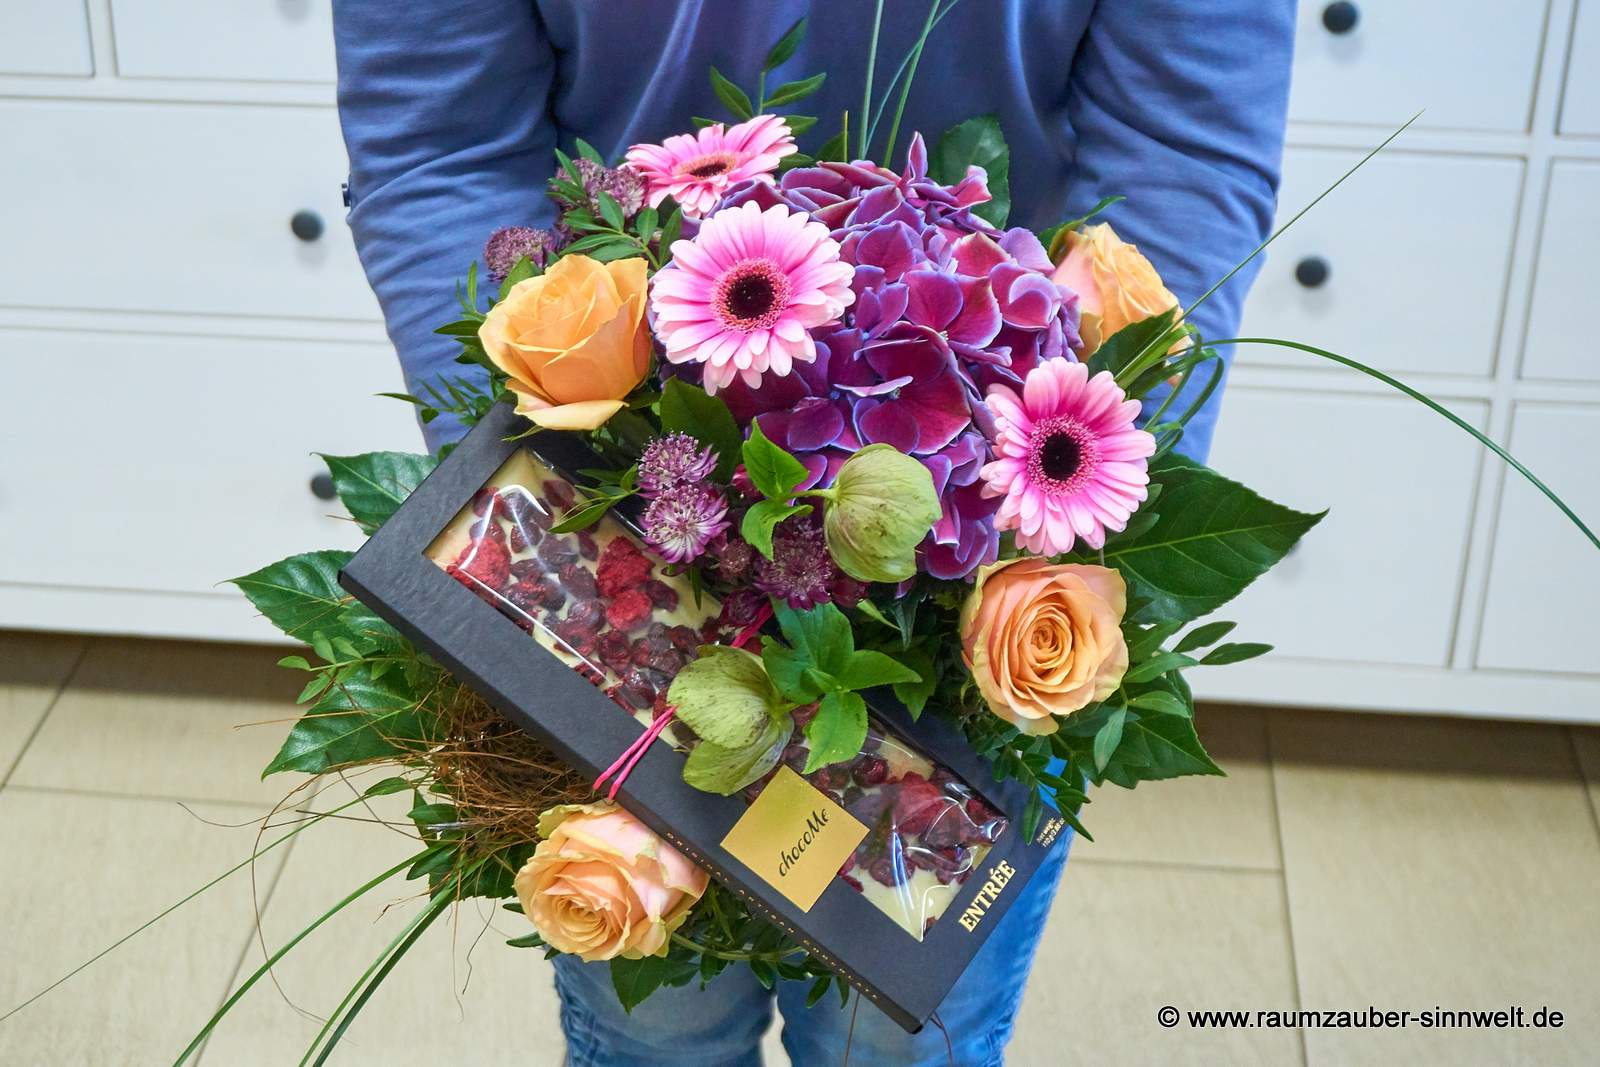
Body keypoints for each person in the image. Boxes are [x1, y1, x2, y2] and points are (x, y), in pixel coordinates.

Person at [333, 2, 1292, 1063]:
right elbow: (440, 138)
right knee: (657, 1025)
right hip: (608, 509)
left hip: (998, 512)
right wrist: (538, 485)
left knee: (889, 1036)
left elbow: (1185, 143)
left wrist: (1072, 506)